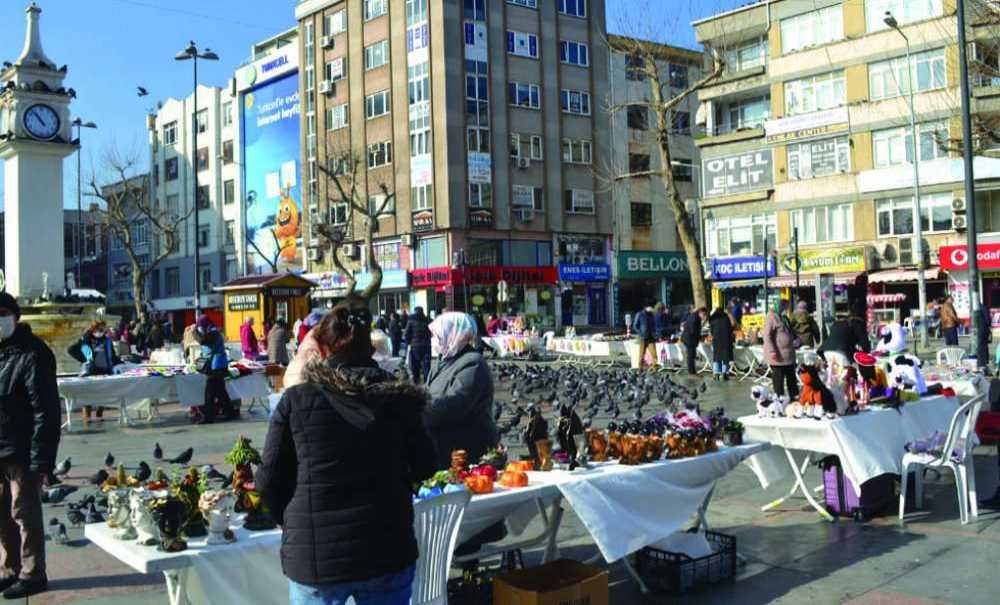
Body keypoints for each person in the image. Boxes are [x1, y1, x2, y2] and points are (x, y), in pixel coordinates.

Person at [257, 299, 437, 605]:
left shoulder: (297, 400)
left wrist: (289, 521)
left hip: (316, 554)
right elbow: (425, 465)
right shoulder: (399, 397)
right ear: (370, 347)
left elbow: (268, 479)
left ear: (324, 348)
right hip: (386, 545)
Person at [0, 292, 60, 599]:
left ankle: (33, 573)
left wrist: (41, 461)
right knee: (3, 516)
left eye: (2, 314)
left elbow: (46, 411)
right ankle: (10, 568)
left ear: (15, 317)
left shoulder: (33, 353)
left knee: (24, 513)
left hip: (22, 450)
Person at [425, 312, 499, 468]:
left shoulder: (472, 363)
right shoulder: (441, 362)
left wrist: (417, 409)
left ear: (453, 335)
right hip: (443, 446)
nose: (433, 340)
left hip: (467, 449)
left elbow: (456, 404)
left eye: (437, 336)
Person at [67, 321, 122, 422]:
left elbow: (112, 356)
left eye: (103, 329)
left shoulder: (107, 340)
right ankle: (87, 418)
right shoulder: (86, 340)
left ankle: (99, 415)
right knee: (87, 397)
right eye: (99, 329)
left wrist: (121, 362)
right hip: (90, 372)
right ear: (93, 329)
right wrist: (84, 359)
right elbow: (71, 350)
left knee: (103, 396)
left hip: (105, 371)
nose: (101, 331)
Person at [194, 316, 235, 424]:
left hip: (215, 366)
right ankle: (230, 412)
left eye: (200, 325)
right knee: (220, 391)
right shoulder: (214, 331)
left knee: (209, 392)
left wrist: (194, 331)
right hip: (218, 364)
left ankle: (208, 417)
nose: (200, 328)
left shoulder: (213, 333)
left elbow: (202, 340)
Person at [764, 300, 798, 398]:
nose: (785, 309)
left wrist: (796, 339)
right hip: (778, 356)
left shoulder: (784, 318)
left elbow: (790, 331)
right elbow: (767, 335)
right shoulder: (771, 317)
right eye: (784, 306)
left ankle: (794, 398)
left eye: (786, 306)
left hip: (788, 355)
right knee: (778, 380)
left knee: (792, 379)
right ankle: (779, 399)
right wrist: (771, 351)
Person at [403, 307, 432, 384]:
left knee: (415, 365)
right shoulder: (427, 320)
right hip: (426, 345)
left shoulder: (411, 321)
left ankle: (416, 381)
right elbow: (431, 332)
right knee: (426, 365)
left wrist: (408, 343)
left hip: (415, 345)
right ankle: (427, 381)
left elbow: (406, 334)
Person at [709, 307, 735, 381]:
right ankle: (724, 373)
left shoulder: (713, 318)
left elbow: (711, 331)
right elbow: (731, 327)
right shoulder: (726, 318)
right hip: (726, 340)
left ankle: (716, 373)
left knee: (716, 357)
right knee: (725, 357)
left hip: (716, 340)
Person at [681, 307, 707, 375]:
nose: (704, 316)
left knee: (691, 355)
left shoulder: (695, 316)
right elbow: (693, 331)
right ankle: (692, 372)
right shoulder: (695, 318)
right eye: (704, 314)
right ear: (700, 312)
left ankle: (692, 371)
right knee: (691, 355)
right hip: (689, 339)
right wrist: (700, 337)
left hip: (689, 338)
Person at [632, 305, 657, 370]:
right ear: (647, 307)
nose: (652, 309)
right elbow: (635, 326)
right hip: (643, 338)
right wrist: (641, 333)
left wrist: (655, 333)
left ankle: (655, 369)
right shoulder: (640, 314)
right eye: (651, 307)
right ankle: (640, 369)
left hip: (651, 338)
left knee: (654, 355)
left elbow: (654, 325)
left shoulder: (652, 315)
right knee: (641, 355)